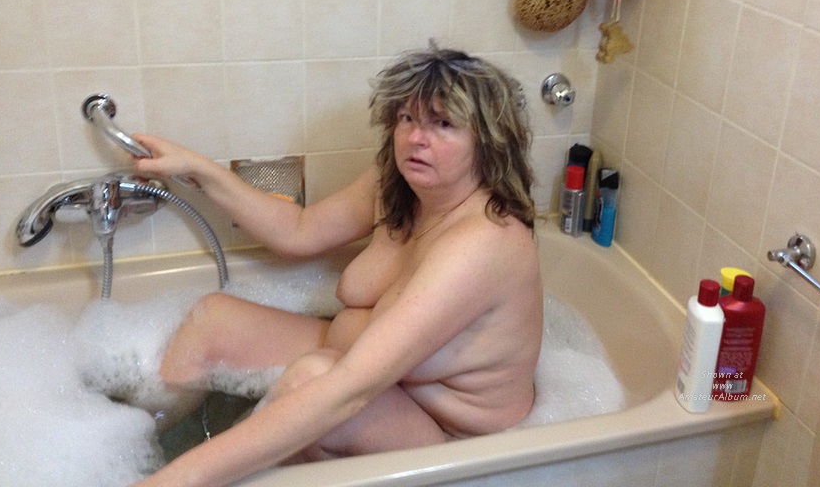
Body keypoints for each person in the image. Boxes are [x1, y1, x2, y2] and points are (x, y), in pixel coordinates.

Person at [130, 46, 543, 487]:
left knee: (312, 380)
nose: (416, 138)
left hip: (453, 444)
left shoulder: (484, 243)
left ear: (488, 143)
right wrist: (197, 168)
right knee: (213, 321)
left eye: (442, 124)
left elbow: (348, 390)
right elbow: (298, 230)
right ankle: (134, 450)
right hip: (374, 377)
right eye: (407, 118)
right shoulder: (400, 186)